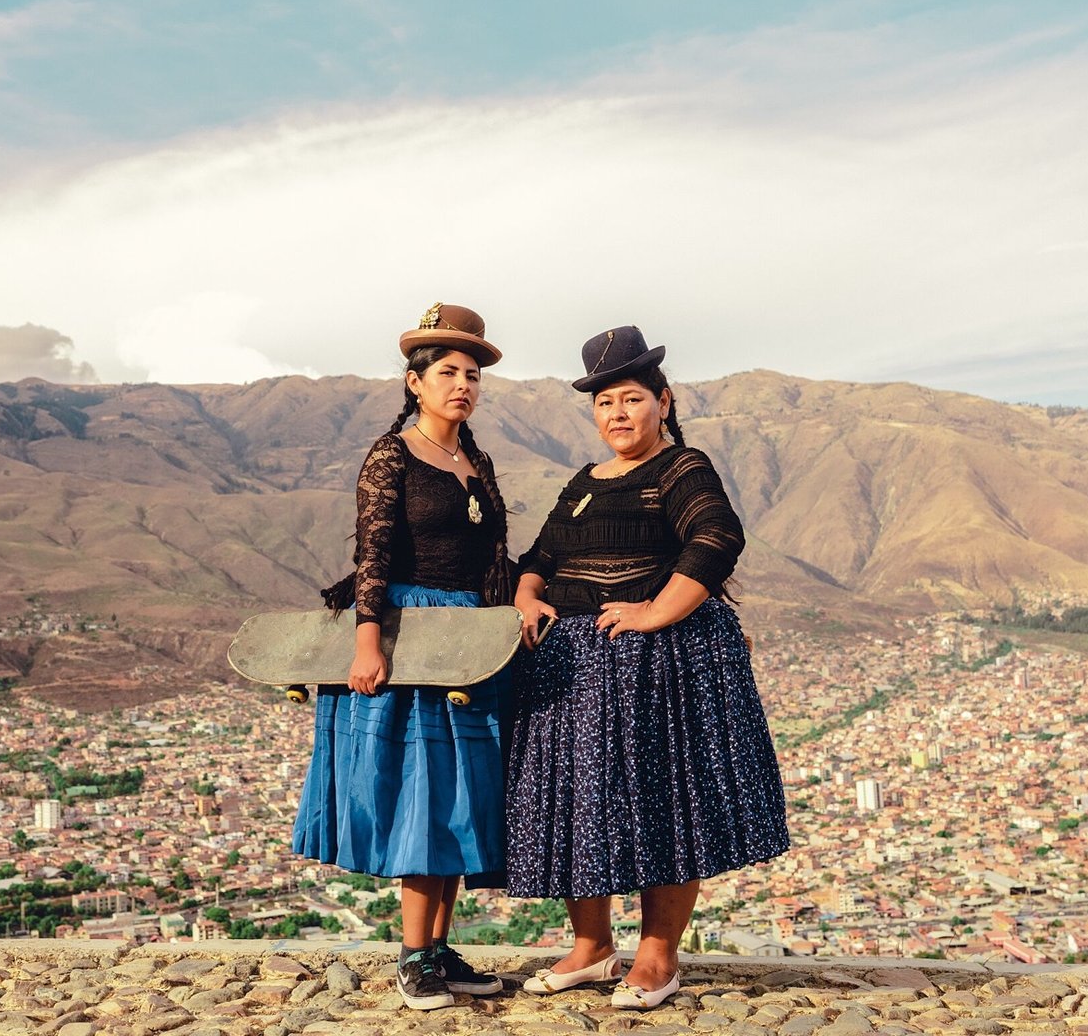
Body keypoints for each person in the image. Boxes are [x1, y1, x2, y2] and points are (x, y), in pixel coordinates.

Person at [507, 325, 789, 1011]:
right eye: (605, 404)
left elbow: (718, 536)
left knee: (666, 806)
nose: (618, 415)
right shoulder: (583, 482)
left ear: (664, 401)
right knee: (584, 804)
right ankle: (593, 948)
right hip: (571, 671)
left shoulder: (681, 469)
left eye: (631, 400)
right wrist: (525, 597)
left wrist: (656, 612)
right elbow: (538, 560)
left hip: (657, 673)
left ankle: (659, 955)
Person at [291, 302, 515, 1011]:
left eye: (472, 374)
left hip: (465, 643)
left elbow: (491, 559)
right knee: (423, 793)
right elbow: (373, 554)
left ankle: (441, 949)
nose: (463, 385)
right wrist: (367, 642)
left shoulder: (472, 460)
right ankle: (413, 956)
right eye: (447, 372)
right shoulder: (392, 456)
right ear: (414, 382)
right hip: (407, 639)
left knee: (456, 798)